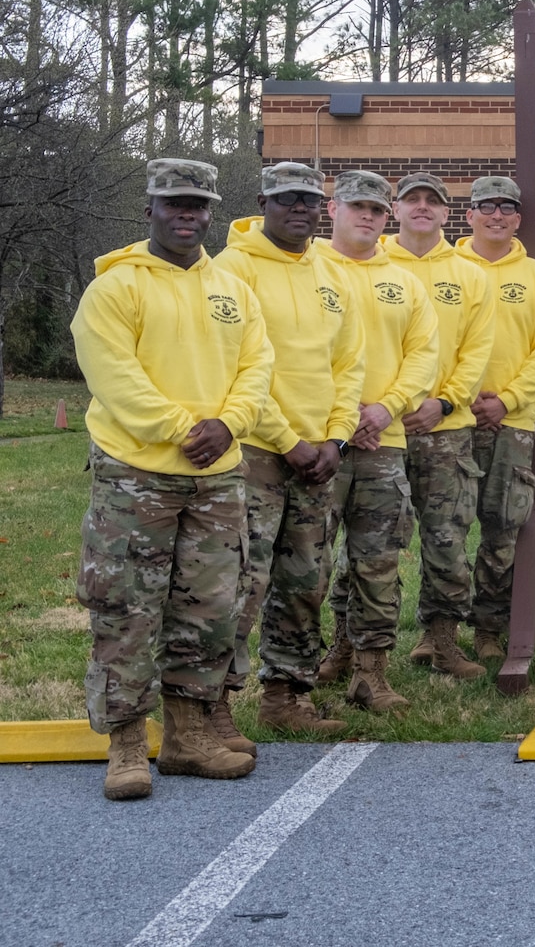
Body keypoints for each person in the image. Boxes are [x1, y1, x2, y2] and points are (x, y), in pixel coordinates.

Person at [70, 158, 270, 799]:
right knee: (126, 608)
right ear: (151, 208)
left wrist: (230, 422)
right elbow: (114, 376)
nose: (188, 214)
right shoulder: (116, 287)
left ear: (211, 211)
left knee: (209, 608)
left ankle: (188, 736)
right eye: (174, 203)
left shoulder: (232, 288)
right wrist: (187, 428)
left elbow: (257, 364)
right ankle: (127, 743)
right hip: (137, 474)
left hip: (217, 475)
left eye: (198, 205)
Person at [214, 161, 362, 738]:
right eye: (286, 199)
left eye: (308, 199)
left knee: (306, 581)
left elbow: (349, 363)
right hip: (255, 449)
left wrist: (335, 436)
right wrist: (288, 439)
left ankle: (286, 697)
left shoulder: (330, 269)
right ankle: (216, 706)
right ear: (262, 202)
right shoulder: (232, 269)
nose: (298, 209)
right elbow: (238, 366)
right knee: (240, 583)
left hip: (320, 453)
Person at [314, 170, 439, 711]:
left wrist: (387, 407)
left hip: (384, 441)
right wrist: (340, 417)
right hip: (318, 443)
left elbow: (423, 355)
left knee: (378, 561)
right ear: (332, 210)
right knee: (307, 562)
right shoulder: (308, 268)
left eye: (376, 209)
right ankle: (298, 674)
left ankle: (372, 671)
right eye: (356, 206)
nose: (367, 216)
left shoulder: (406, 281)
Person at [377, 172, 494, 681]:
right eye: (411, 200)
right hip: (378, 428)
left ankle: (441, 641)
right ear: (393, 210)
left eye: (433, 201)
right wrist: (383, 407)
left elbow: (476, 353)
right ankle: (354, 649)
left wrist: (444, 403)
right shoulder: (367, 264)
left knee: (446, 538)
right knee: (372, 542)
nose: (422, 207)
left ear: (448, 214)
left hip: (446, 430)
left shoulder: (470, 274)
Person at [454, 176, 535, 660]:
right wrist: (455, 398)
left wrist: (507, 400)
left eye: (506, 207)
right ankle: (437, 632)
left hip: (514, 421)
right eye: (486, 206)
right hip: (449, 420)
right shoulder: (444, 269)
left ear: (518, 218)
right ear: (469, 215)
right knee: (445, 529)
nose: (496, 215)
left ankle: (487, 629)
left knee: (501, 527)